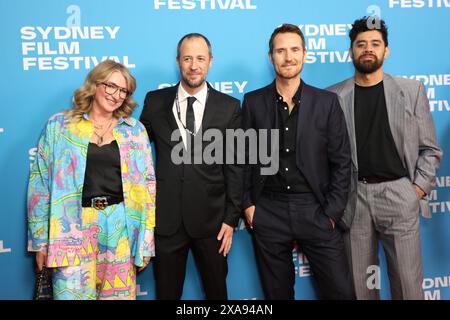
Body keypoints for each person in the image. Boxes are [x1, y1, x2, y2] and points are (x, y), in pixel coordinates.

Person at [327, 17, 442, 299]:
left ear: (386, 51)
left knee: (408, 285)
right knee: (361, 287)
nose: (368, 49)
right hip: (355, 201)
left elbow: (430, 149)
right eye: (361, 44)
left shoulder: (411, 91)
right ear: (351, 51)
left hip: (399, 195)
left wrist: (414, 191)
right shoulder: (333, 97)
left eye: (375, 44)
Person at [242, 24, 355, 300]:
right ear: (271, 56)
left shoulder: (327, 102)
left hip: (315, 209)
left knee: (341, 293)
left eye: (294, 50)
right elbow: (241, 159)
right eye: (281, 50)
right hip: (269, 210)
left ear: (305, 54)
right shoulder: (253, 102)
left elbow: (342, 162)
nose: (288, 57)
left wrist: (331, 214)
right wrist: (249, 205)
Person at [27, 60, 156, 300]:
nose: (115, 95)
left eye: (123, 90)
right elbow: (40, 185)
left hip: (119, 227)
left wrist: (145, 244)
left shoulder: (134, 130)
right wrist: (40, 242)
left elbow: (148, 189)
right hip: (72, 230)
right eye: (110, 86)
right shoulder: (60, 126)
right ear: (95, 84)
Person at [139, 33, 242, 300]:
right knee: (167, 294)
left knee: (217, 293)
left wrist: (231, 218)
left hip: (212, 222)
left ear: (210, 61)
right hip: (166, 220)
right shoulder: (154, 101)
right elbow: (133, 151)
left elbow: (235, 166)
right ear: (178, 62)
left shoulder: (229, 107)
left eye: (199, 58)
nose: (193, 65)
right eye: (187, 58)